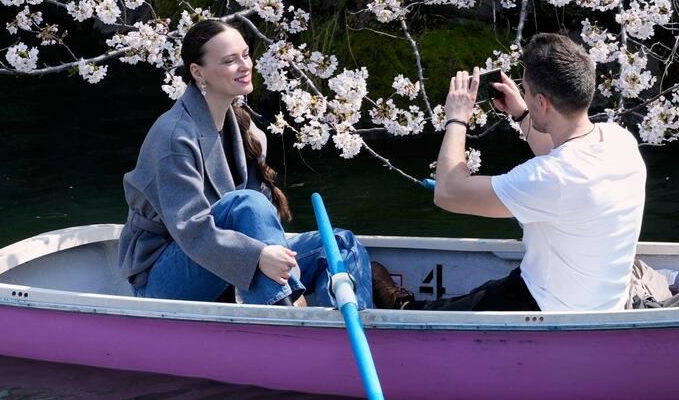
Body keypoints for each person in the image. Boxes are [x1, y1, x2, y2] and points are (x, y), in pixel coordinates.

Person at [372, 32, 647, 312]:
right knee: (485, 292)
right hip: (599, 299)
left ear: (543, 102)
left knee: (432, 315)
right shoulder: (619, 140)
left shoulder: (548, 178)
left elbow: (447, 193)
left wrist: (456, 118)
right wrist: (522, 114)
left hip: (551, 307)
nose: (523, 96)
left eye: (526, 92)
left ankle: (404, 308)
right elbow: (561, 158)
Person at [118, 19, 375, 308]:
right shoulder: (173, 137)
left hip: (225, 260)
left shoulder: (244, 129)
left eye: (245, 55)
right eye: (230, 60)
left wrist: (265, 254)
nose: (245, 65)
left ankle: (345, 328)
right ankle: (289, 318)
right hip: (166, 277)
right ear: (197, 72)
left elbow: (259, 224)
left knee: (340, 245)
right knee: (247, 203)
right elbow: (192, 230)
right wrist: (257, 256)